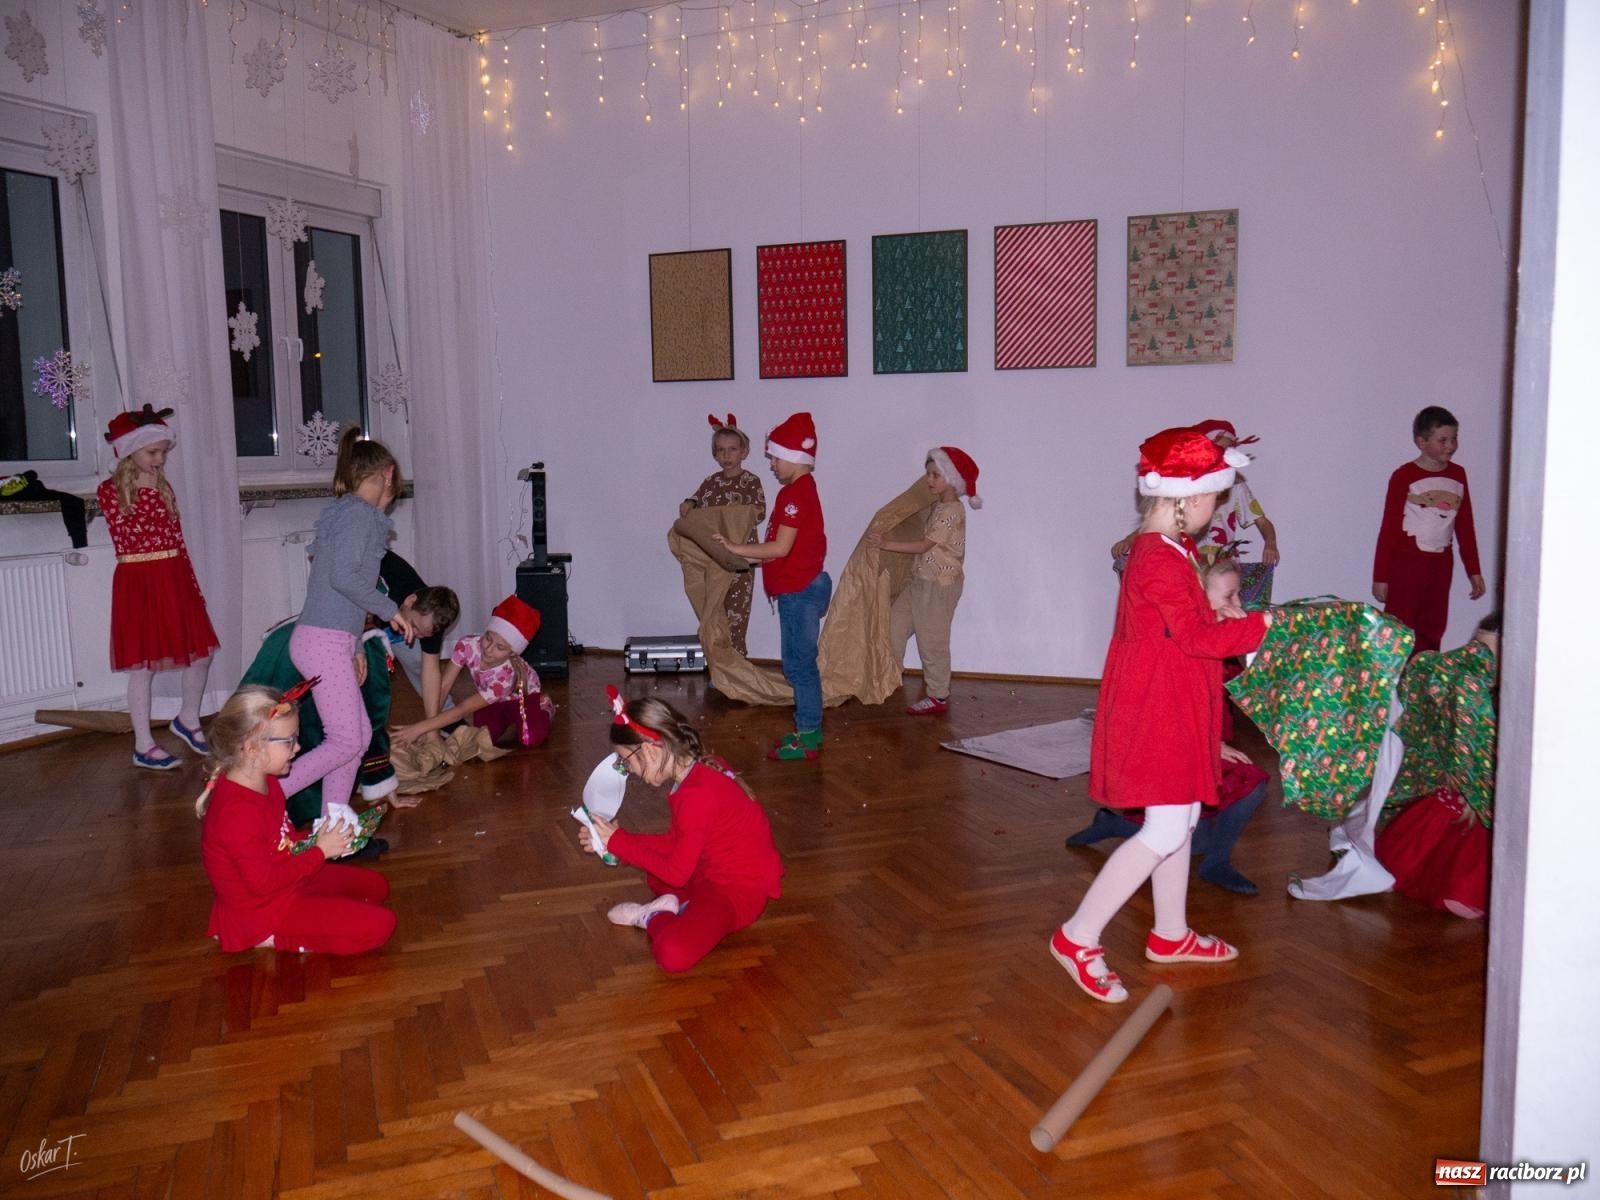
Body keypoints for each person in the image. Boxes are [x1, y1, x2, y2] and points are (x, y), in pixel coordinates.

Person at [1051, 428, 1271, 1004]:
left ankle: (1171, 934)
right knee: (1167, 827)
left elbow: (1189, 635)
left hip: (1173, 703)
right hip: (1157, 712)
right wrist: (1265, 627)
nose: (1215, 508)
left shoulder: (1173, 553)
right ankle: (1078, 936)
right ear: (1187, 499)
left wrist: (1239, 622)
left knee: (1184, 818)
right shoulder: (1159, 560)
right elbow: (1200, 637)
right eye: (1213, 498)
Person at [1066, 557, 1270, 895]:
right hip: (1184, 742)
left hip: (1204, 740)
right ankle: (1215, 863)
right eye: (1229, 596)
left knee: (1192, 835)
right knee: (1250, 784)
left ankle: (1115, 823)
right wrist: (1213, 744)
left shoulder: (1220, 633)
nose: (1238, 605)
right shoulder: (1186, 638)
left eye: (1239, 597)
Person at [579, 687, 783, 972]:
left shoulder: (697, 795)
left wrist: (620, 842)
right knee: (656, 878)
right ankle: (682, 909)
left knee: (672, 953)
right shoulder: (695, 772)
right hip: (711, 873)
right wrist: (615, 843)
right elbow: (679, 842)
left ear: (650, 748)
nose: (630, 772)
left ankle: (652, 917)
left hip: (737, 894)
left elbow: (678, 871)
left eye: (627, 762)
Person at [278, 428, 416, 818]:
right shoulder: (359, 515)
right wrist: (391, 610)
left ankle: (336, 826)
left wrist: (355, 645)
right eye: (392, 495)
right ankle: (263, 793)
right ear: (387, 475)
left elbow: (335, 591)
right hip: (322, 641)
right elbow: (343, 577)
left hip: (331, 639)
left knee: (354, 740)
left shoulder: (346, 512)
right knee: (343, 741)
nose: (389, 507)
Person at [197, 683, 395, 955]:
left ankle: (309, 918)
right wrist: (319, 851)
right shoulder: (237, 813)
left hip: (286, 879)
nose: (298, 747)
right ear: (252, 748)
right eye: (289, 741)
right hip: (262, 909)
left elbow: (282, 841)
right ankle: (274, 937)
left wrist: (321, 837)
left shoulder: (266, 781)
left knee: (376, 887)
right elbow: (263, 884)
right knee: (381, 925)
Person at [96, 405, 219, 770]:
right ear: (129, 451)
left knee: (202, 653)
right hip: (140, 581)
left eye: (164, 451)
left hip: (173, 575)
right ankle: (143, 743)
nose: (161, 459)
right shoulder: (110, 491)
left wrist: (192, 586)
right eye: (153, 452)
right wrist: (148, 492)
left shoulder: (163, 487)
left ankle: (188, 719)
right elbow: (133, 532)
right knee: (143, 666)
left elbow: (177, 540)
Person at [715, 412, 830, 762]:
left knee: (799, 666)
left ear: (794, 457)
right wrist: (747, 557)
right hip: (799, 589)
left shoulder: (794, 495)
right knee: (799, 663)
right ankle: (808, 728)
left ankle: (808, 736)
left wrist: (737, 549)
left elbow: (780, 548)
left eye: (776, 457)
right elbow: (781, 550)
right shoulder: (799, 491)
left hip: (800, 592)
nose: (773, 465)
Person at [1375, 612, 1500, 918]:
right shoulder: (1461, 689)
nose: (1476, 658)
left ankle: (1463, 885)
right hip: (1462, 793)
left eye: (1489, 653)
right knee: (1440, 818)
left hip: (1493, 802)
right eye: (1474, 646)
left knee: (1476, 835)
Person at [868, 446, 982, 716]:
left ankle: (938, 695)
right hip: (920, 581)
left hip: (939, 585)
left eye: (935, 475)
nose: (929, 480)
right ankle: (888, 676)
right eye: (928, 474)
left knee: (932, 641)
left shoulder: (951, 510)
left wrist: (886, 543)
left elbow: (923, 546)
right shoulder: (937, 506)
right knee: (893, 624)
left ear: (951, 479)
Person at [1372, 405, 1486, 654]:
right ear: (1421, 442)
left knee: (1433, 624)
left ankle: (1424, 678)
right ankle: (1395, 679)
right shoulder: (1404, 475)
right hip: (1406, 563)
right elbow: (1388, 528)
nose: (1450, 446)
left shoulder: (1458, 475)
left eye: (1454, 439)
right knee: (1400, 626)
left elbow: (1465, 526)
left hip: (1440, 564)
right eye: (1442, 440)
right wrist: (1381, 576)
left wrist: (1474, 570)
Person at [392, 595, 553, 751]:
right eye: (488, 638)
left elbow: (462, 709)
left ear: (512, 653)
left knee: (530, 738)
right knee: (480, 743)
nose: (489, 649)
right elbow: (443, 687)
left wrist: (420, 728)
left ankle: (543, 706)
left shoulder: (505, 677)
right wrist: (428, 728)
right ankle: (504, 719)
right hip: (491, 701)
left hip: (522, 699)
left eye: (500, 647)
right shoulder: (467, 645)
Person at [681, 414, 766, 656]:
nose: (727, 455)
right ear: (715, 454)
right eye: (721, 450)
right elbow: (695, 502)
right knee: (714, 608)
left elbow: (759, 512)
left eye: (732, 449)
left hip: (741, 558)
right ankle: (718, 661)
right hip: (714, 557)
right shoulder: (711, 483)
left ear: (744, 452)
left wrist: (733, 516)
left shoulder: (751, 481)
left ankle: (737, 662)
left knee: (737, 611)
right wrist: (689, 503)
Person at [376, 551, 460, 715]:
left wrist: (432, 727)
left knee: (418, 661)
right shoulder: (395, 581)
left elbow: (430, 673)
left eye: (421, 634)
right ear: (410, 601)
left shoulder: (431, 621)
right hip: (360, 609)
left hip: (396, 618)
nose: (414, 635)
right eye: (414, 626)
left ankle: (448, 720)